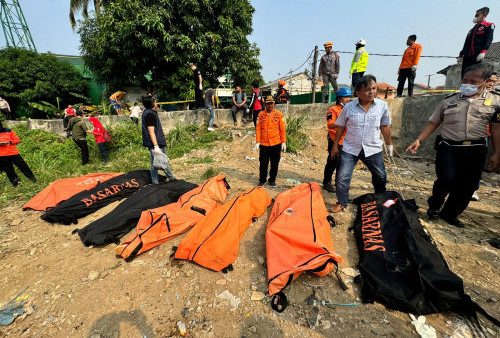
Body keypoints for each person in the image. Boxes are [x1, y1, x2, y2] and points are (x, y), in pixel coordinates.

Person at [406, 63, 500, 228]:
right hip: (448, 147)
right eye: (465, 80)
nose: (468, 83)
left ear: (485, 82)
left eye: (473, 81)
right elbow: (433, 123)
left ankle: (450, 213)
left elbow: (496, 128)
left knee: (467, 185)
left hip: (475, 148)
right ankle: (434, 205)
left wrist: (497, 152)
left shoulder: (495, 102)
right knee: (446, 179)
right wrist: (419, 140)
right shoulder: (449, 100)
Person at [330, 75, 393, 212]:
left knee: (380, 177)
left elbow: (385, 127)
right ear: (358, 92)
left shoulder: (382, 106)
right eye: (367, 90)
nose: (372, 92)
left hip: (373, 148)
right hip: (350, 148)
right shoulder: (348, 108)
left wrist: (389, 145)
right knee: (342, 178)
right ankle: (342, 202)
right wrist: (335, 146)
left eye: (374, 88)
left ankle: (380, 201)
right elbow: (340, 126)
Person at [141, 96, 175, 183]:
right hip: (155, 143)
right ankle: (171, 179)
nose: (156, 103)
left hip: (154, 142)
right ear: (152, 104)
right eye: (155, 102)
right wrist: (156, 146)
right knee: (162, 161)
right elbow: (151, 131)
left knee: (154, 163)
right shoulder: (150, 114)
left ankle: (155, 181)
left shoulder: (149, 112)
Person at [322, 87, 351, 193]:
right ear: (339, 99)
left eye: (349, 97)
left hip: (347, 141)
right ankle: (326, 183)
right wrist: (343, 123)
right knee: (333, 161)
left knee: (343, 163)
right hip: (335, 140)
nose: (348, 99)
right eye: (345, 97)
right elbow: (330, 125)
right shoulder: (333, 110)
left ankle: (339, 183)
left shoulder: (350, 109)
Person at [254, 96, 286, 187]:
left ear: (274, 104)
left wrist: (283, 142)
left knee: (275, 163)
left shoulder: (279, 114)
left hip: (276, 143)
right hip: (264, 144)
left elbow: (282, 129)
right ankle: (262, 180)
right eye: (268, 103)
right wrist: (257, 141)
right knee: (263, 163)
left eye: (271, 103)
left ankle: (272, 179)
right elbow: (258, 129)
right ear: (265, 104)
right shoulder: (260, 115)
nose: (270, 105)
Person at [458, 7, 495, 79]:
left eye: (477, 15)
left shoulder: (489, 25)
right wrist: (461, 55)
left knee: (474, 75)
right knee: (464, 75)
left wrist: (483, 52)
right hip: (467, 56)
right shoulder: (472, 30)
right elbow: (466, 43)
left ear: (483, 15)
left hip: (477, 56)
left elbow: (488, 39)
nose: (475, 17)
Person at [0, 120, 36, 186]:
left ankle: (33, 180)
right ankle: (16, 185)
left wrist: (10, 142)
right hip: (2, 155)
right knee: (9, 171)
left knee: (24, 166)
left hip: (14, 153)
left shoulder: (9, 131)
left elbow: (17, 140)